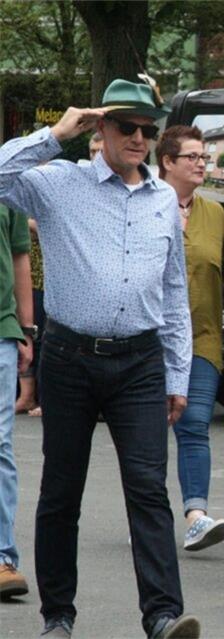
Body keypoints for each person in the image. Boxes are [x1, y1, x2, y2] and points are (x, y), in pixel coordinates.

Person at [0, 79, 200, 638]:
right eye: (127, 127)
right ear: (102, 128)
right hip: (69, 358)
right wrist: (55, 134)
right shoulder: (60, 182)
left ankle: (162, 615)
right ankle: (58, 616)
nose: (138, 138)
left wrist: (178, 372)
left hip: (140, 361)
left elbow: (174, 291)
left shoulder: (163, 198)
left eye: (147, 130)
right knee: (62, 491)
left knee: (148, 488)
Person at [157, 126, 224, 552]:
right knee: (147, 433)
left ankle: (196, 517)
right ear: (168, 162)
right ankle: (147, 515)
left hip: (202, 339)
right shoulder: (144, 204)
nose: (202, 163)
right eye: (192, 157)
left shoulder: (216, 214)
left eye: (204, 156)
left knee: (195, 424)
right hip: (149, 340)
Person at [0, 205, 33, 603]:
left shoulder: (7, 186)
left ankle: (2, 557)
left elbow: (20, 256)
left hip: (2, 330)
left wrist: (27, 328)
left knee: (0, 444)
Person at [14, 218, 42, 417]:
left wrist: (25, 223)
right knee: (24, 334)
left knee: (40, 338)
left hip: (44, 278)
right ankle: (26, 396)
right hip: (26, 275)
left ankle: (41, 397)